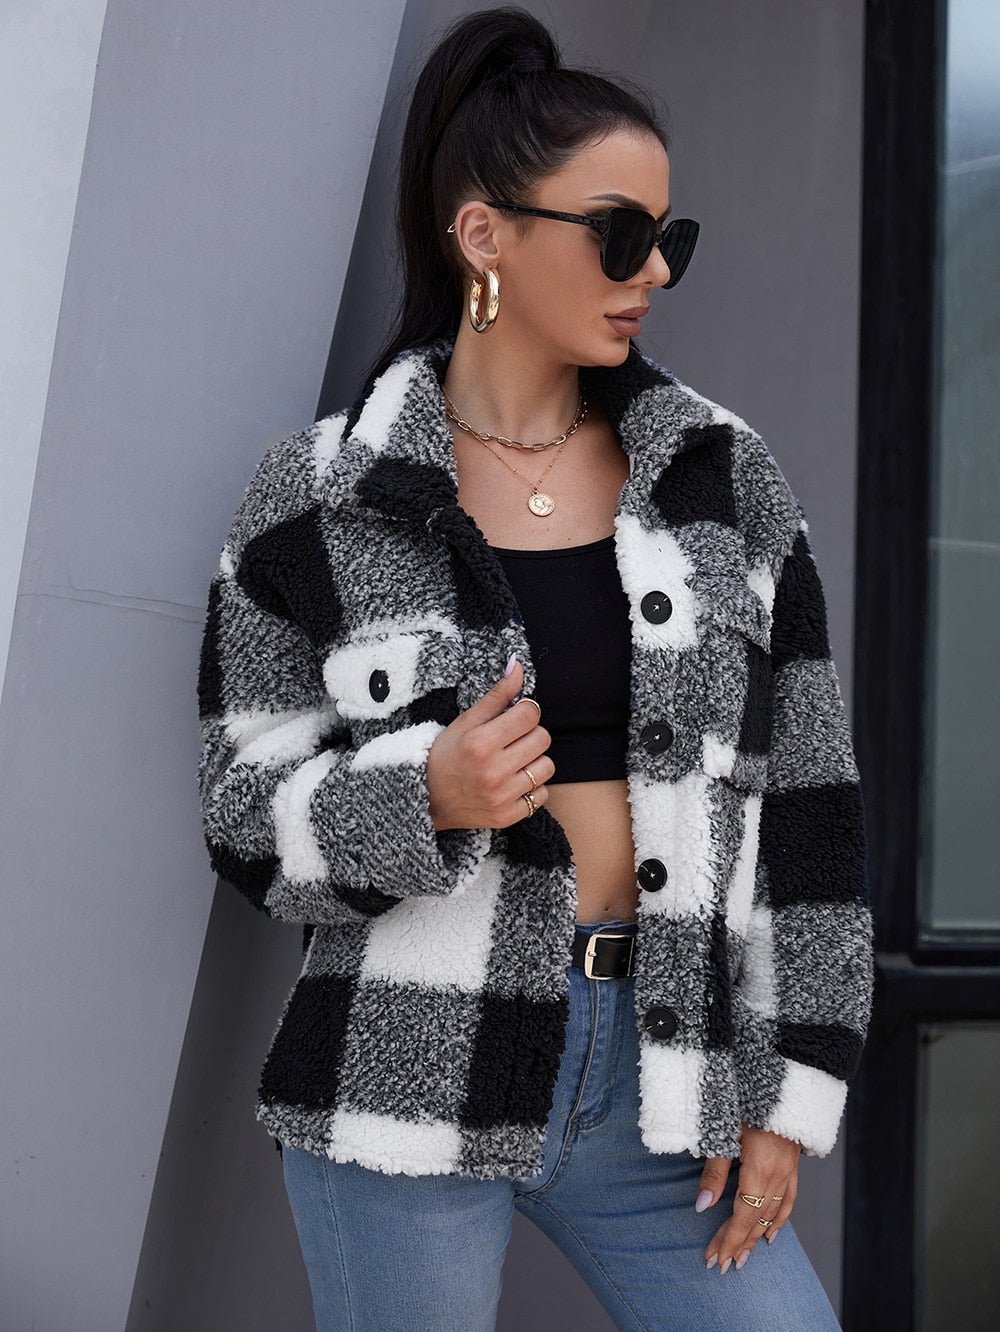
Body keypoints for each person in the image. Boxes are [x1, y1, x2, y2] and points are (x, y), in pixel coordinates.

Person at [197, 8, 872, 1329]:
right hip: (405, 1069)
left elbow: (812, 809)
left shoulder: (725, 480)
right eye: (619, 235)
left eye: (668, 239)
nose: (653, 271)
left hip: (664, 1077)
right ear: (484, 235)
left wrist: (788, 1091)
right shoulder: (319, 495)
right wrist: (424, 796)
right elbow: (239, 812)